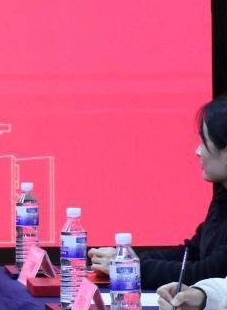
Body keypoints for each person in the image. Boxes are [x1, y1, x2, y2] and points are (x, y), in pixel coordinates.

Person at [89, 98, 227, 290]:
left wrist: (133, 269)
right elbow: (191, 253)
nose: (198, 151)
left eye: (204, 142)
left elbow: (209, 274)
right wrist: (128, 258)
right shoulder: (222, 196)